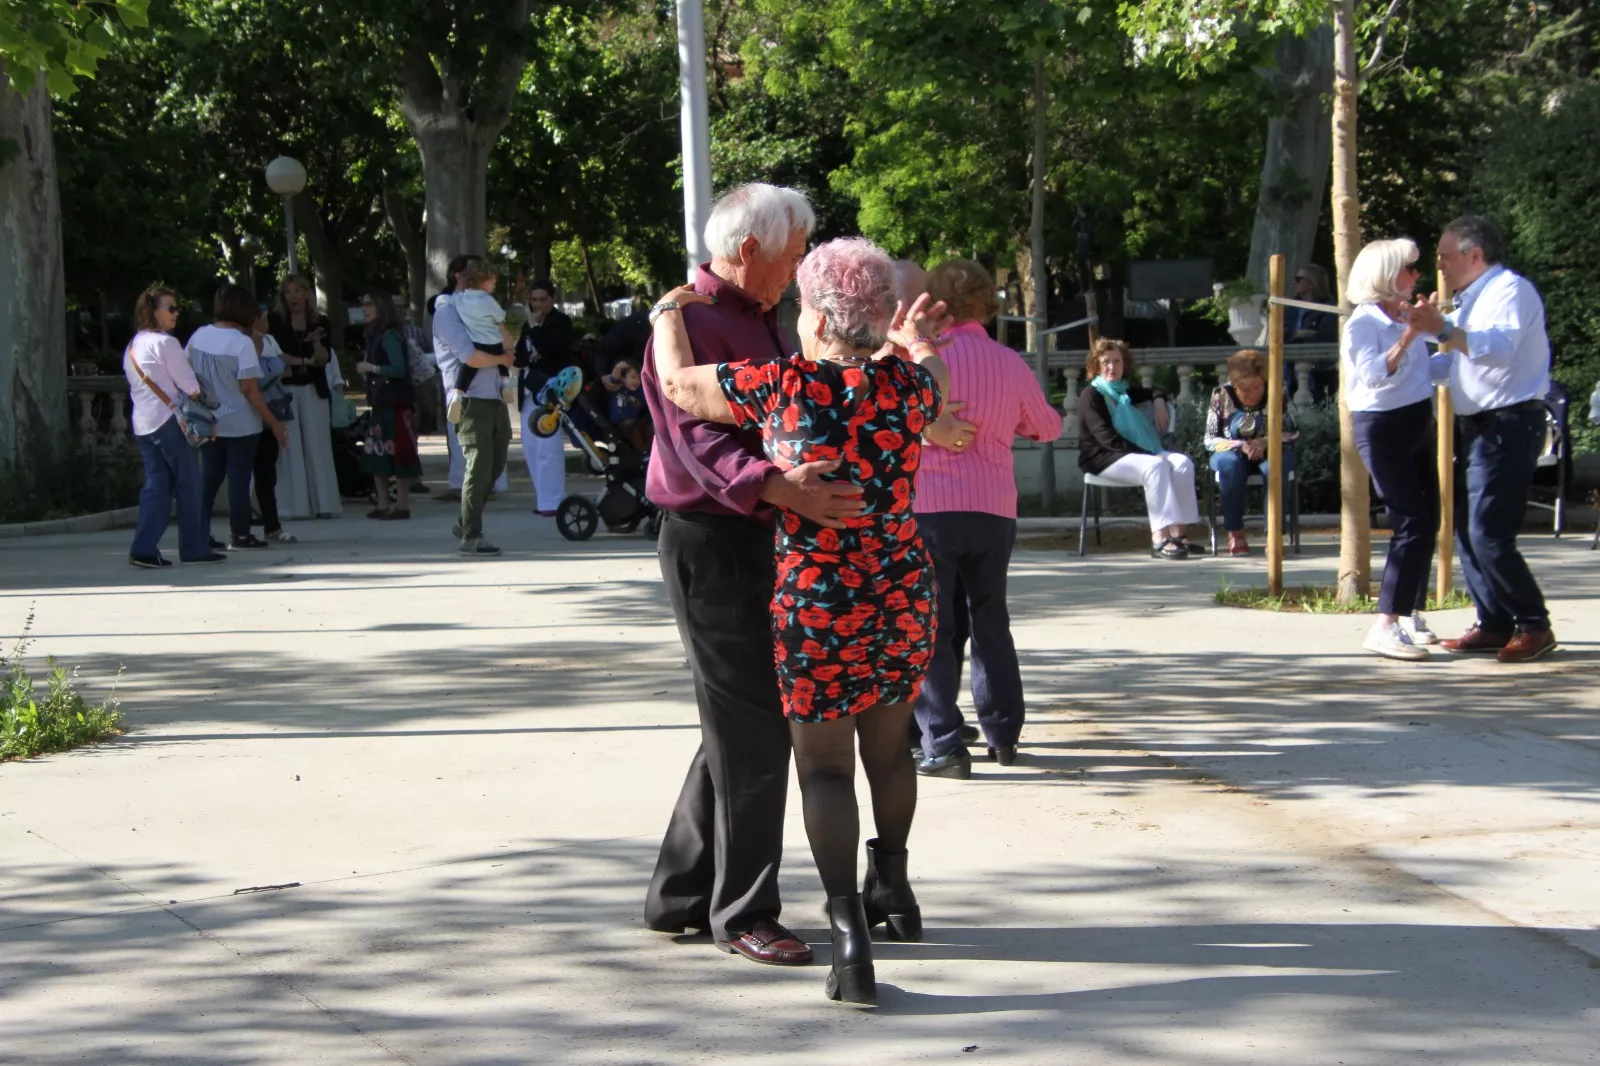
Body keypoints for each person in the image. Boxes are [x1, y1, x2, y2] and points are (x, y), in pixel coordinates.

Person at [650, 236, 952, 1006]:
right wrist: (913, 341)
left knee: (823, 770)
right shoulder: (909, 391)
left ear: (813, 316)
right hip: (899, 591)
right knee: (891, 756)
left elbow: (682, 389)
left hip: (820, 602)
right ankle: (896, 889)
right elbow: (935, 379)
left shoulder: (780, 386)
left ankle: (848, 934)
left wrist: (664, 313)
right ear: (880, 317)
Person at [910, 259, 1061, 780]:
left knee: (934, 626)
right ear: (989, 306)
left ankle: (945, 741)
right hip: (993, 506)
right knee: (990, 619)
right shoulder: (1007, 361)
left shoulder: (921, 360)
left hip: (929, 506)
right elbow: (1046, 428)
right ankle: (1003, 732)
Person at [1407, 216, 1556, 663]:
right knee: (1468, 531)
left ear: (1475, 256)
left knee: (1489, 532)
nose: (1440, 266)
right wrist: (1402, 355)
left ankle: (1534, 624)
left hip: (1509, 425)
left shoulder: (1511, 290)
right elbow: (1455, 364)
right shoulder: (1472, 299)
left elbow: (1497, 349)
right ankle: (1493, 622)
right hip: (1481, 428)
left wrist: (1442, 330)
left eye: (1446, 257)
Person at [1341, 238, 1439, 661]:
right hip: (1383, 427)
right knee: (1410, 521)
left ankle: (1411, 614)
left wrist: (1457, 341)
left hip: (1418, 419)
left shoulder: (1401, 314)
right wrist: (1410, 334)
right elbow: (1372, 375)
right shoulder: (1363, 324)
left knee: (1429, 519)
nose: (1417, 276)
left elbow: (1426, 369)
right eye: (1409, 269)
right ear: (1385, 275)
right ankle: (1384, 624)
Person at [123, 286, 225, 568]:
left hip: (144, 424)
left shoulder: (133, 345)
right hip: (170, 421)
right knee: (189, 483)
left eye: (176, 307)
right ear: (152, 311)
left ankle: (143, 548)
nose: (176, 313)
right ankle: (193, 548)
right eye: (170, 308)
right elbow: (190, 387)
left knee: (157, 486)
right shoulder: (166, 343)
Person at [1076, 338, 1199, 559]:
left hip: (1135, 453)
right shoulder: (1091, 395)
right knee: (1155, 466)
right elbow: (1108, 440)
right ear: (1096, 365)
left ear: (1124, 365)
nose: (1112, 367)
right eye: (1106, 362)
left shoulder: (1125, 392)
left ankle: (1179, 535)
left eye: (1117, 362)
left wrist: (1159, 399)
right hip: (1103, 458)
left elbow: (1155, 390)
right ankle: (1159, 539)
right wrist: (1149, 453)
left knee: (1182, 463)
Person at [187, 285, 289, 551]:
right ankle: (240, 534)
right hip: (242, 421)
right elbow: (249, 388)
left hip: (209, 418)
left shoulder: (199, 336)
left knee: (209, 478)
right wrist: (274, 423)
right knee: (239, 479)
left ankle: (198, 532)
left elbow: (187, 373)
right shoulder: (241, 342)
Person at [432, 257, 516, 556]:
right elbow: (469, 357)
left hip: (493, 398)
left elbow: (505, 341)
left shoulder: (481, 309)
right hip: (468, 401)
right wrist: (503, 359)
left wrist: (505, 354)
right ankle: (471, 535)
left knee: (493, 466)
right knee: (478, 466)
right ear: (461, 277)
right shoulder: (447, 312)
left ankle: (464, 521)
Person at [1204, 348, 1299, 557]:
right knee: (1230, 465)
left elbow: (1294, 431)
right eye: (1242, 388)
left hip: (1273, 450)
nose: (1250, 394)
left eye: (1255, 387)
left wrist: (1267, 440)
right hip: (1233, 452)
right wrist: (1240, 445)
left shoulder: (1277, 390)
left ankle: (1273, 534)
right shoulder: (1220, 395)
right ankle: (1235, 532)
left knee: (1274, 468)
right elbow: (1209, 439)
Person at [267, 275, 341, 520]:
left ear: (308, 293)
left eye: (299, 290)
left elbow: (323, 359)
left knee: (317, 444)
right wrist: (304, 361)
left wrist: (317, 345)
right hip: (285, 389)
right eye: (289, 292)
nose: (294, 296)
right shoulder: (275, 320)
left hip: (313, 387)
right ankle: (294, 506)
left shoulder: (320, 322)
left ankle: (324, 504)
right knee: (289, 446)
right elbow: (277, 355)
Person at [357, 291, 423, 520]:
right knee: (377, 453)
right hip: (380, 403)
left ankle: (402, 505)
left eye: (369, 304)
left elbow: (398, 369)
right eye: (363, 305)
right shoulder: (373, 334)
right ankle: (383, 503)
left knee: (400, 453)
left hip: (396, 404)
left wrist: (372, 368)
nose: (364, 309)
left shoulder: (390, 336)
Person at [514, 279, 577, 516]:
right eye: (534, 300)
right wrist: (532, 352)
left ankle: (553, 500)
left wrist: (536, 331)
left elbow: (552, 350)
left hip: (550, 391)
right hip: (529, 390)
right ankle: (543, 497)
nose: (538, 305)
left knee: (548, 447)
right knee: (530, 446)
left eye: (543, 300)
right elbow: (519, 357)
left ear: (552, 300)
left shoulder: (560, 322)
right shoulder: (527, 325)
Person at [443, 260, 515, 424]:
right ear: (485, 283)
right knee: (503, 359)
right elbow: (500, 316)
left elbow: (448, 301)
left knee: (467, 369)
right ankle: (506, 383)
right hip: (493, 341)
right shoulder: (488, 300)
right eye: (493, 284)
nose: (494, 287)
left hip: (475, 342)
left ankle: (458, 394)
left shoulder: (461, 299)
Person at [249, 309, 296, 544]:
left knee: (267, 471)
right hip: (248, 413)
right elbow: (253, 371)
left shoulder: (269, 341)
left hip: (271, 411)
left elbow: (285, 368)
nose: (267, 321)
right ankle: (244, 526)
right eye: (263, 316)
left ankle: (272, 524)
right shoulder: (243, 342)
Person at [600, 359, 651, 452]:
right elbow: (613, 379)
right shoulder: (617, 388)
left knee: (650, 422)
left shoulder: (639, 391)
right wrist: (619, 368)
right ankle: (643, 451)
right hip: (621, 425)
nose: (637, 381)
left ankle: (649, 450)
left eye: (639, 378)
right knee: (631, 425)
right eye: (633, 377)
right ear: (623, 379)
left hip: (636, 421)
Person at [1285, 264, 1339, 344]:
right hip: (1288, 352)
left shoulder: (1328, 307)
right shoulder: (1291, 307)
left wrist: (1304, 335)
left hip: (1316, 353)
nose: (1294, 283)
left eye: (1298, 279)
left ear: (1312, 283)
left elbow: (1327, 336)